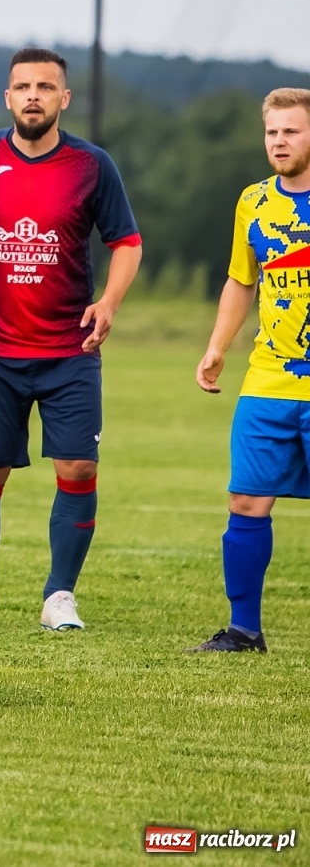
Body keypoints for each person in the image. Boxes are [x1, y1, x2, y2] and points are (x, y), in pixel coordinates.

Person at [0, 48, 142, 632]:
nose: (33, 95)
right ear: (7, 97)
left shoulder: (92, 165)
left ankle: (59, 597)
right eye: (23, 86)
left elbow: (127, 243)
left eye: (45, 87)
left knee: (77, 468)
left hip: (71, 351)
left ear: (63, 98)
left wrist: (109, 303)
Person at [190, 87, 310, 653]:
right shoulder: (254, 202)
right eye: (272, 132)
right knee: (246, 501)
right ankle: (243, 630)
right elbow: (242, 280)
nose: (279, 142)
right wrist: (218, 347)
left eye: (291, 131)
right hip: (268, 377)